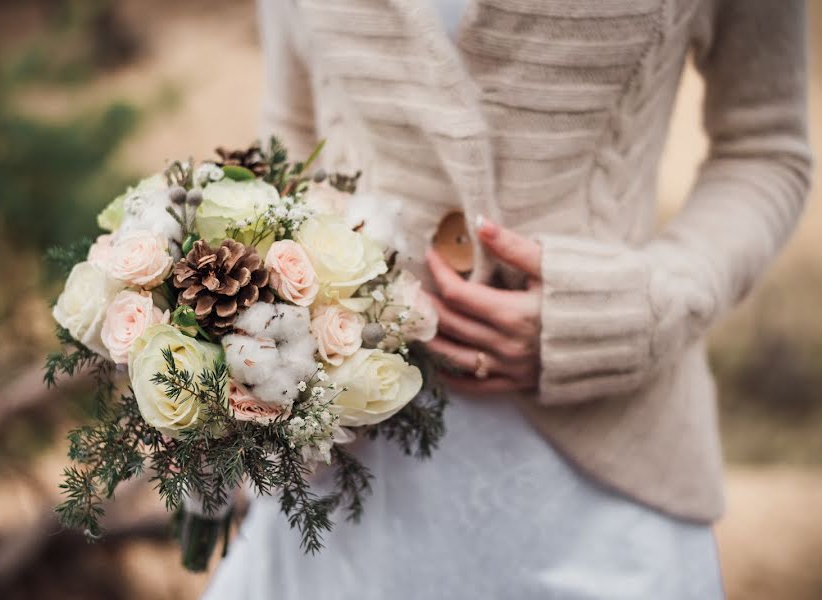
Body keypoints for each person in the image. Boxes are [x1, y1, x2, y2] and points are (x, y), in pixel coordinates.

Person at [204, 1, 811, 598]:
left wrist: (639, 311)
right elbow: (292, 129)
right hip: (343, 486)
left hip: (604, 484)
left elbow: (764, 148)